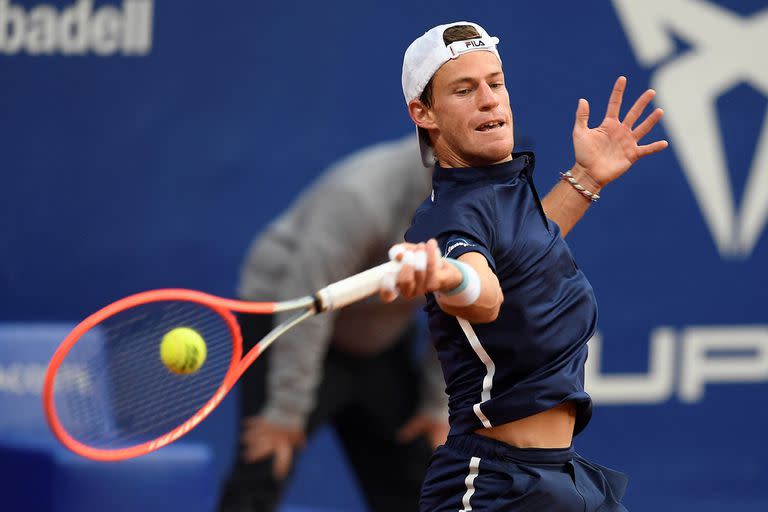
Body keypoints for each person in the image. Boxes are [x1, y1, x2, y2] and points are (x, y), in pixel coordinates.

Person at [381, 22, 669, 511]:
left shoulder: (499, 190)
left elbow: (525, 254)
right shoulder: (450, 217)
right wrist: (451, 276)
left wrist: (586, 177)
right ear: (423, 113)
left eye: (495, 82)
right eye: (464, 90)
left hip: (562, 477)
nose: (489, 100)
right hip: (494, 488)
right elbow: (486, 293)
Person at [218, 135, 449, 512]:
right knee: (265, 462)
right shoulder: (360, 196)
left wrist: (437, 405)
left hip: (379, 339)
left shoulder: (484, 207)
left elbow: (456, 308)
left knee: (419, 474)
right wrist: (286, 411)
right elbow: (306, 297)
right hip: (290, 320)